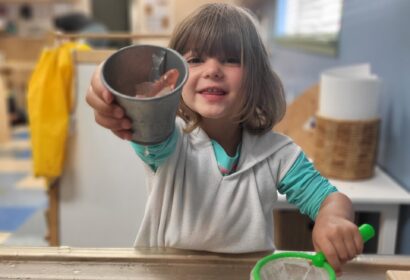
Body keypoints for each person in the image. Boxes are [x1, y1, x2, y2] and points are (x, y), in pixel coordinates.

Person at [86, 3, 363, 276]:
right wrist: (109, 86)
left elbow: (328, 198)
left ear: (257, 77)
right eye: (195, 60)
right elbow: (141, 113)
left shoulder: (277, 154)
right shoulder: (169, 141)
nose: (213, 70)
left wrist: (333, 219)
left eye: (231, 59)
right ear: (174, 79)